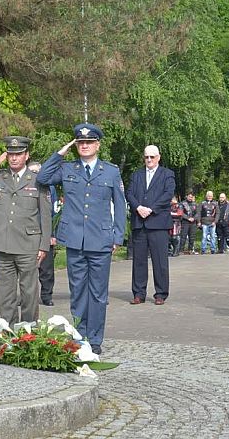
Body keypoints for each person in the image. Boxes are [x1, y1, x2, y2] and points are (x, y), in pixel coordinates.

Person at [36, 123, 126, 355]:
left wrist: (118, 235)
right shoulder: (67, 169)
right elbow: (43, 177)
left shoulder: (111, 171)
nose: (84, 146)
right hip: (75, 238)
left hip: (101, 238)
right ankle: (79, 334)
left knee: (98, 293)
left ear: (97, 145)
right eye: (80, 142)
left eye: (89, 142)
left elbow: (119, 203)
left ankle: (95, 338)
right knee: (77, 291)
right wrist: (61, 152)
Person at [0, 137, 51, 325]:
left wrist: (44, 245)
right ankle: (8, 329)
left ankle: (28, 330)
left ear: (26, 155)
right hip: (2, 244)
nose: (14, 158)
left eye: (18, 154)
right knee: (6, 293)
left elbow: (45, 215)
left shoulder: (38, 180)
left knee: (29, 292)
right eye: (10, 154)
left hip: (28, 245)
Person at [126, 145, 176, 305]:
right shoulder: (136, 175)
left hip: (158, 223)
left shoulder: (167, 174)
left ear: (158, 157)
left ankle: (161, 293)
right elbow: (129, 193)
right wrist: (138, 207)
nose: (149, 160)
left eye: (152, 157)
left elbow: (168, 194)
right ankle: (138, 293)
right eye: (146, 157)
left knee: (160, 260)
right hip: (140, 222)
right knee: (138, 261)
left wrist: (151, 209)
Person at [28, 160, 58, 307]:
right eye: (31, 172)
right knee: (27, 269)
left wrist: (52, 234)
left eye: (36, 172)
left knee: (46, 269)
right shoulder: (23, 186)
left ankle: (47, 295)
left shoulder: (49, 188)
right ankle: (27, 297)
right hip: (26, 234)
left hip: (44, 232)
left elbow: (52, 213)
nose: (34, 175)